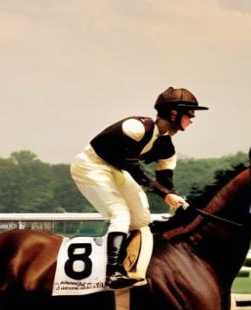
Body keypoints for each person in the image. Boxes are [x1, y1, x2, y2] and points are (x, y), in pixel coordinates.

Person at [71, 86, 208, 289]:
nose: (192, 119)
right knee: (120, 214)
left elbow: (165, 182)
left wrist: (176, 198)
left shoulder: (167, 148)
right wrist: (164, 194)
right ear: (173, 113)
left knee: (142, 218)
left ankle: (134, 265)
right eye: (189, 114)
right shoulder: (136, 128)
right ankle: (112, 272)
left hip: (115, 170)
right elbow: (134, 170)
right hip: (91, 166)